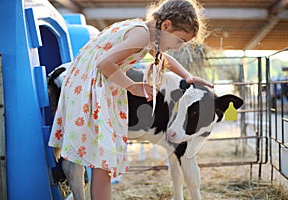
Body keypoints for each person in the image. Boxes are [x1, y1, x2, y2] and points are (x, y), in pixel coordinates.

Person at [48, 0, 214, 199]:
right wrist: (131, 86)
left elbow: (164, 59)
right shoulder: (141, 35)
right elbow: (104, 63)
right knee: (103, 161)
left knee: (102, 161)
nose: (178, 47)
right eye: (179, 40)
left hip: (90, 87)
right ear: (167, 25)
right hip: (93, 90)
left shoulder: (145, 32)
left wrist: (187, 76)